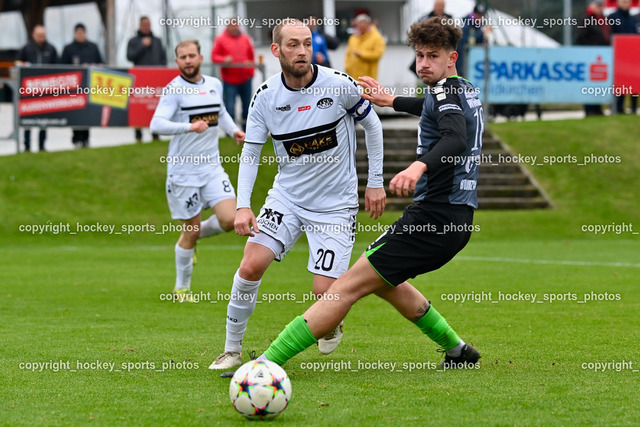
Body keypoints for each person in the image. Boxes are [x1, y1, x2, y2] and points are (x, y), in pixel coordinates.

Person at [249, 16, 483, 372]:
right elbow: (436, 109)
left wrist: (418, 166)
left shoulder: (444, 93)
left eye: (432, 56)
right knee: (386, 282)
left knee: (344, 287)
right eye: (419, 55)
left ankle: (267, 363)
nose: (423, 63)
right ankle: (456, 349)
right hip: (456, 219)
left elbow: (455, 137)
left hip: (433, 217)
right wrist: (392, 100)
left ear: (452, 57)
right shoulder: (461, 89)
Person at [209, 19, 385, 371]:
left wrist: (376, 181)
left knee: (324, 294)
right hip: (287, 198)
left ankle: (330, 318)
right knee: (249, 265)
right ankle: (231, 350)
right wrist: (243, 205)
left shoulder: (338, 84)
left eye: (306, 43)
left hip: (336, 206)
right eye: (292, 44)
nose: (302, 51)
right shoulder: (266, 97)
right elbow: (251, 154)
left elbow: (372, 125)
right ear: (276, 50)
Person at [150, 40, 245, 302]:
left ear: (201, 57)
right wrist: (188, 127)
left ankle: (191, 237)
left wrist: (234, 130)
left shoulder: (214, 84)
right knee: (189, 232)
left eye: (192, 55)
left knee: (230, 220)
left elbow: (221, 112)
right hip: (184, 173)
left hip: (212, 168)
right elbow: (156, 124)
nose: (188, 60)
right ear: (177, 61)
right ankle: (182, 289)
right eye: (183, 57)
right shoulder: (174, 90)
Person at [61, 23, 104, 148]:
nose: (80, 35)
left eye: (82, 33)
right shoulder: (68, 49)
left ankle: (86, 139)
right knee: (76, 113)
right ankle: (76, 138)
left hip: (90, 87)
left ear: (85, 33)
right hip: (74, 88)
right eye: (78, 33)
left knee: (87, 113)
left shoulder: (93, 47)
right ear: (75, 34)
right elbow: (62, 66)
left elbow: (101, 62)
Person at [17, 25, 58, 152]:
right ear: (33, 35)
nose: (41, 38)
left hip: (46, 91)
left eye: (43, 36)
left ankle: (41, 146)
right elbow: (17, 64)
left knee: (44, 120)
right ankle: (27, 146)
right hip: (29, 91)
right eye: (39, 35)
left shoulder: (51, 49)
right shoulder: (26, 48)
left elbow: (58, 68)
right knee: (28, 120)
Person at [127, 16, 167, 142]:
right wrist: (142, 46)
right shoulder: (133, 41)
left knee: (154, 107)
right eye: (144, 24)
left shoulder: (157, 41)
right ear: (140, 25)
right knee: (139, 106)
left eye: (148, 24)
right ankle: (138, 136)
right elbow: (130, 56)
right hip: (139, 80)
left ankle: (155, 134)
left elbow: (163, 58)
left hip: (155, 80)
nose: (146, 26)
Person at [211, 19, 255, 130]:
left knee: (247, 107)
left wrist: (251, 71)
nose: (234, 28)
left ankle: (246, 132)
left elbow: (251, 56)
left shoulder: (246, 38)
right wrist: (224, 59)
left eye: (236, 26)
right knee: (230, 108)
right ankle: (230, 132)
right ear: (227, 27)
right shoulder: (220, 39)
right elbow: (214, 57)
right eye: (232, 26)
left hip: (246, 79)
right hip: (229, 80)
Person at [576, 1, 610, 117]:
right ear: (592, 6)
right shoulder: (586, 19)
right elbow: (581, 37)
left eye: (602, 6)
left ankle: (597, 108)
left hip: (603, 57)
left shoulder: (603, 19)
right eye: (598, 5)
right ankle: (589, 109)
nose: (600, 8)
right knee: (590, 84)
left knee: (599, 84)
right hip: (590, 57)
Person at [609, 0, 638, 114]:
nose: (626, 4)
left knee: (634, 83)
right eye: (623, 1)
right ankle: (619, 108)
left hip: (633, 58)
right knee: (620, 83)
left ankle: (633, 108)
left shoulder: (633, 19)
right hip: (618, 57)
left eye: (628, 2)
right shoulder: (612, 18)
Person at [344, 14, 386, 81]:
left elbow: (378, 54)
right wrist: (347, 67)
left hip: (368, 77)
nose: (360, 28)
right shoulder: (353, 38)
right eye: (359, 25)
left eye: (363, 26)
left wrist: (362, 54)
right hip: (352, 76)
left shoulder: (377, 38)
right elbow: (348, 54)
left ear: (368, 25)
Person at [457, 3, 491, 77]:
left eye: (481, 15)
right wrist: (482, 32)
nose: (479, 17)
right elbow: (469, 42)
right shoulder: (465, 25)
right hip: (463, 64)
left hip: (475, 64)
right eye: (478, 15)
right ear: (473, 14)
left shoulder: (481, 25)